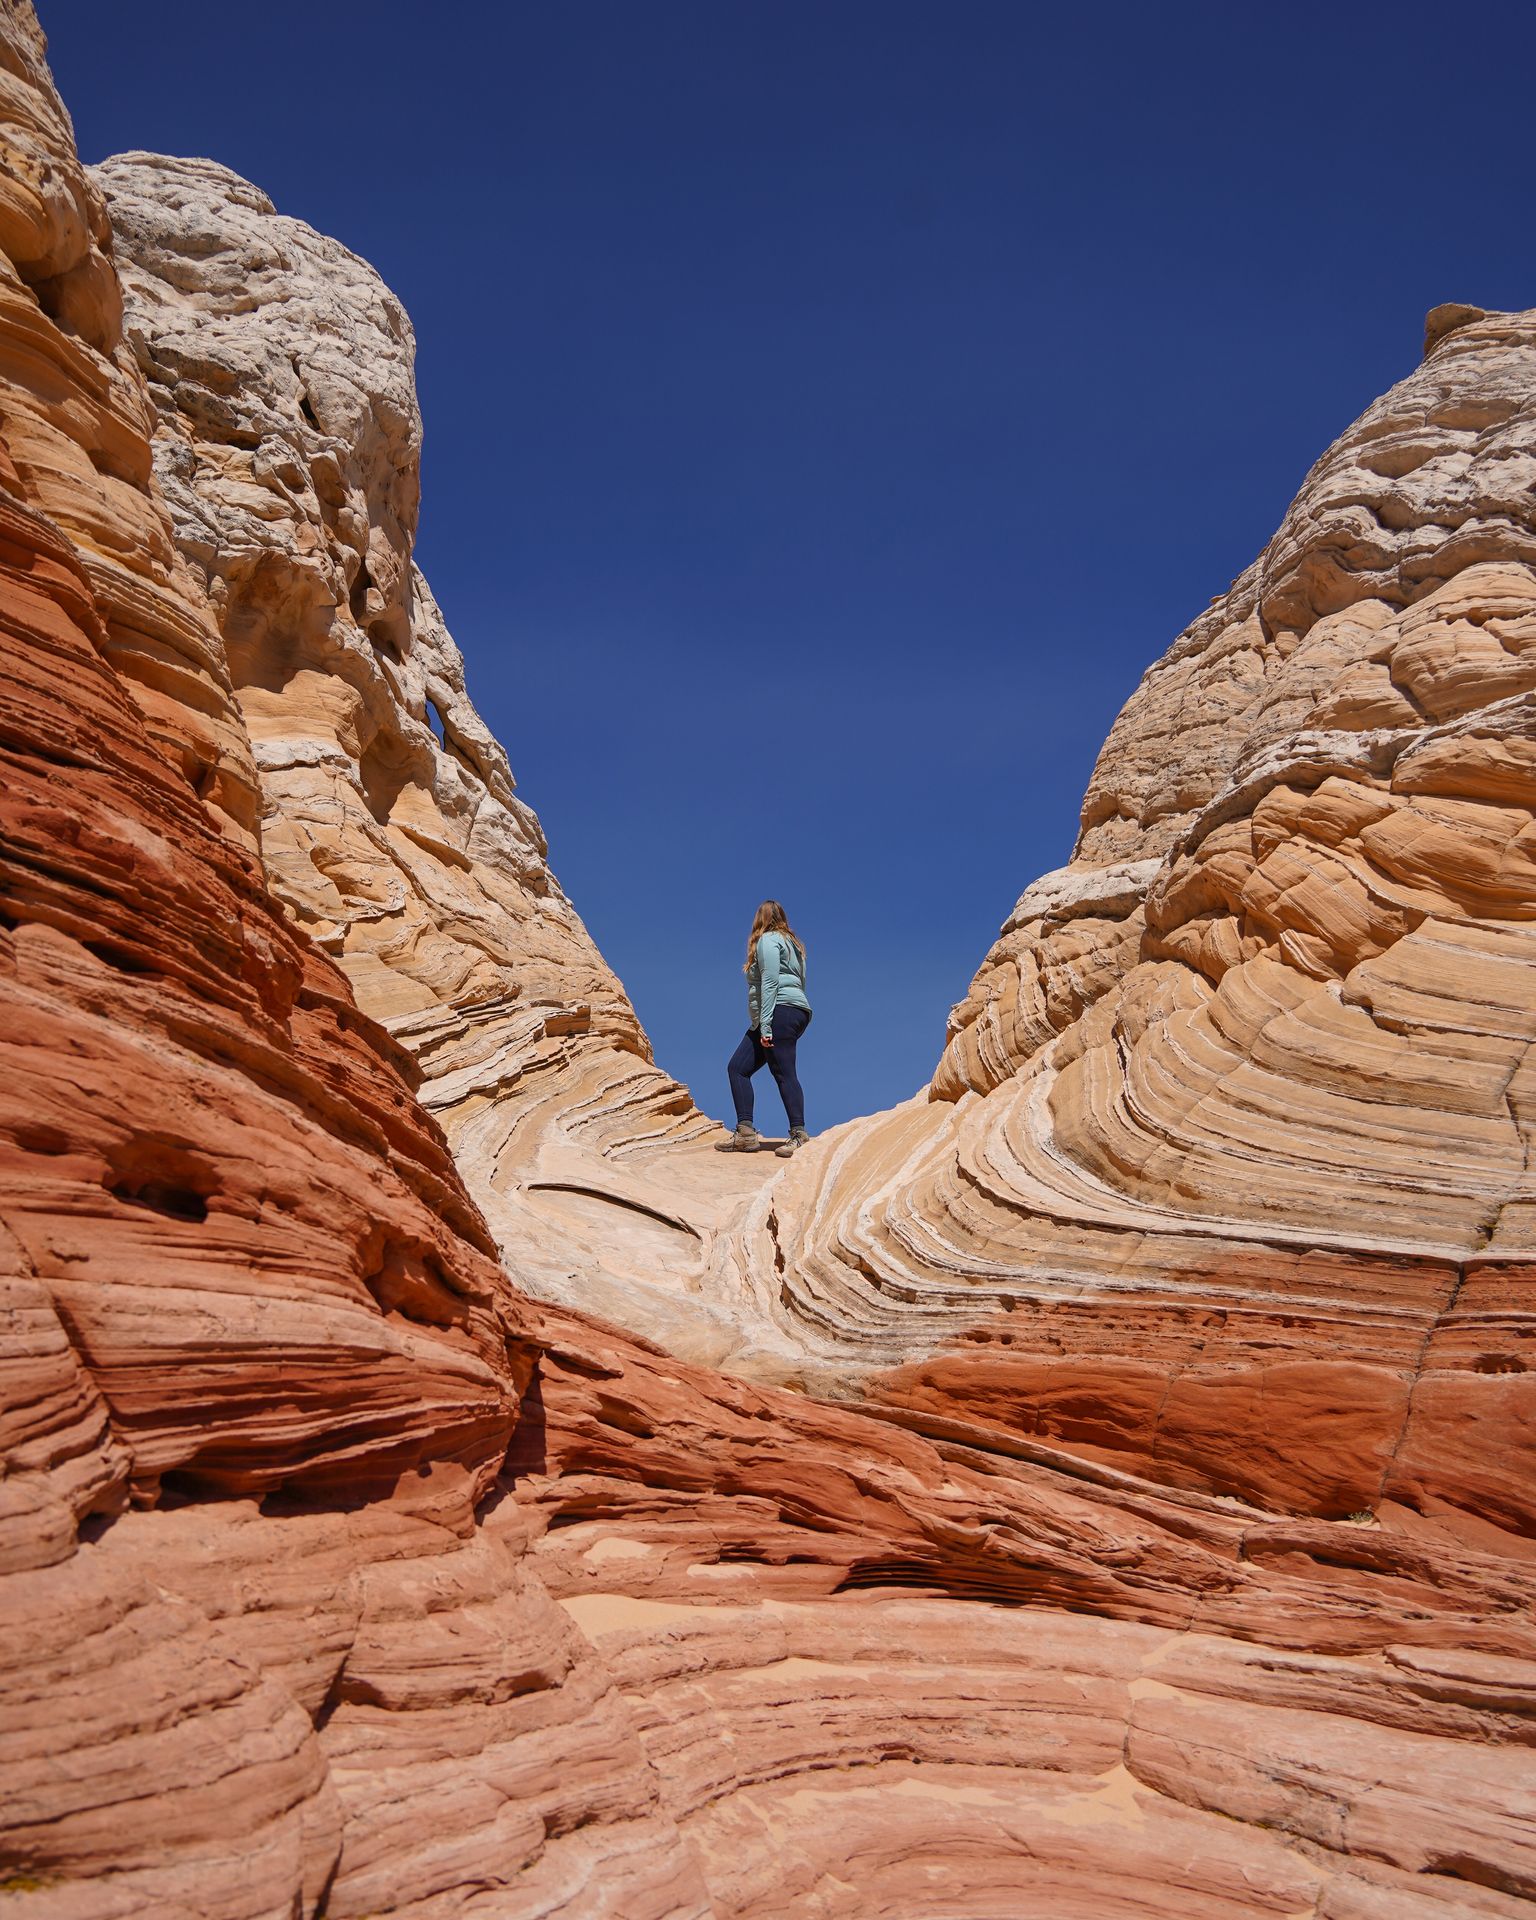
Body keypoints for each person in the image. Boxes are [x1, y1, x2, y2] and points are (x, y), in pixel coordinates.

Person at [722, 899, 812, 1156]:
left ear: (760, 920)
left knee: (784, 1072)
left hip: (777, 1012)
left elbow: (770, 980)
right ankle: (745, 1134)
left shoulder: (768, 941)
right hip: (794, 1010)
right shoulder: (796, 945)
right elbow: (802, 982)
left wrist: (767, 1025)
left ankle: (799, 1134)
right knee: (738, 1067)